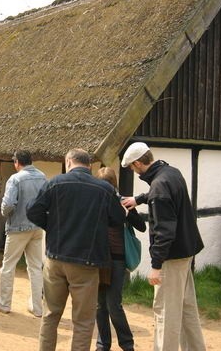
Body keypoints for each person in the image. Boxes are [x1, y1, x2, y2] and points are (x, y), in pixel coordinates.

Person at [27, 149, 126, 351]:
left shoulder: (55, 183)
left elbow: (32, 210)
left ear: (68, 162)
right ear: (89, 165)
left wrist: (51, 227)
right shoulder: (104, 189)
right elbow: (117, 219)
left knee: (50, 315)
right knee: (83, 322)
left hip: (55, 258)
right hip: (87, 263)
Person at [120, 142, 206, 351]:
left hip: (171, 257)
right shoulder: (171, 172)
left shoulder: (159, 186)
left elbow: (164, 232)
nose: (133, 170)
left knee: (165, 312)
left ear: (139, 163)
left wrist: (156, 265)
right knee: (186, 308)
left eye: (132, 167)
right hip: (186, 251)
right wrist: (138, 199)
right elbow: (161, 193)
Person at [0, 150, 47, 317]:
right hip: (37, 227)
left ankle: (4, 303)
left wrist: (4, 213)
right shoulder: (42, 177)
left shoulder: (15, 179)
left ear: (17, 163)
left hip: (18, 227)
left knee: (8, 265)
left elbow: (7, 204)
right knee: (36, 267)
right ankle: (37, 307)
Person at [94, 167, 146, 351]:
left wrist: (127, 214)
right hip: (99, 259)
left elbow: (141, 227)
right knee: (99, 304)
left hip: (118, 259)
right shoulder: (95, 201)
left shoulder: (123, 202)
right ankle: (102, 344)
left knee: (113, 303)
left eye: (107, 185)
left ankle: (127, 343)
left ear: (113, 185)